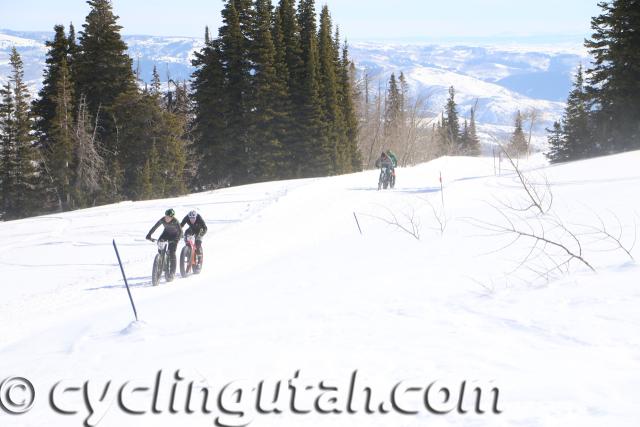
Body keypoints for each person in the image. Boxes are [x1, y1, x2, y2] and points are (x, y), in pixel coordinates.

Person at [146, 208, 183, 280]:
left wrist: (177, 239)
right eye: (166, 216)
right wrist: (149, 235)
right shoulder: (162, 219)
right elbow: (155, 227)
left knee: (172, 252)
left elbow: (181, 231)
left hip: (174, 236)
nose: (166, 218)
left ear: (172, 217)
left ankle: (172, 272)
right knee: (160, 247)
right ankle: (161, 260)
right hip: (166, 234)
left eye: (168, 217)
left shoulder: (175, 221)